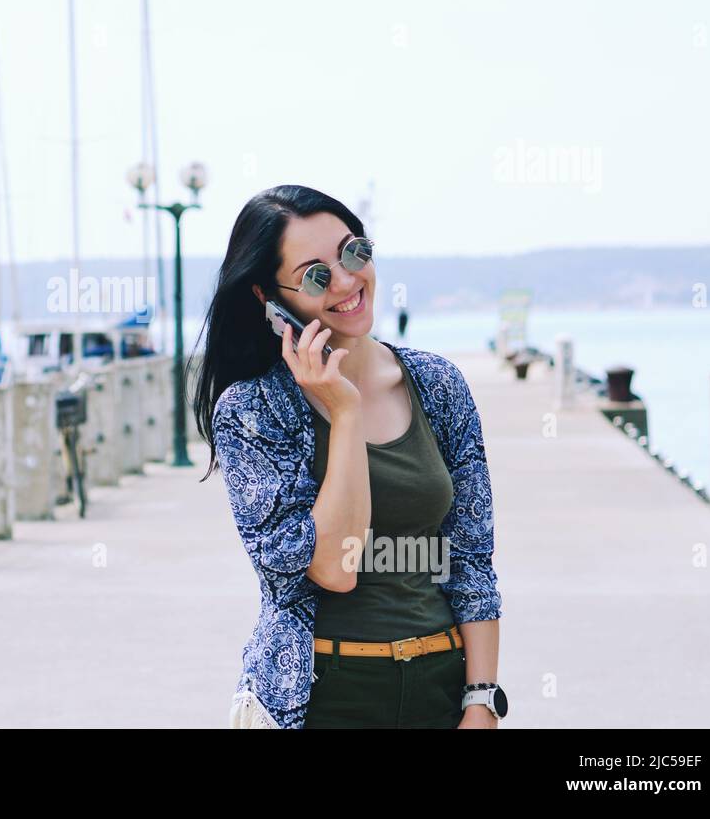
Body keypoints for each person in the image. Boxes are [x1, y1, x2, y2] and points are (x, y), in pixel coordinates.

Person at [192, 185, 504, 729]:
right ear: (271, 298)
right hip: (323, 697)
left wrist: (482, 698)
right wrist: (346, 413)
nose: (346, 282)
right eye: (316, 275)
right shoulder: (253, 410)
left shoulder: (437, 383)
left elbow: (470, 557)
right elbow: (335, 567)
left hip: (440, 684)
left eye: (353, 253)